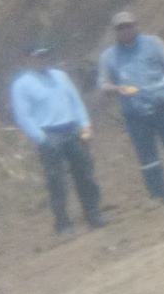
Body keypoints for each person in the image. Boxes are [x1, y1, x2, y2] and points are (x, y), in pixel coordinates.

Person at [93, 8, 164, 204]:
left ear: (135, 26)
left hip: (162, 105)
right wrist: (116, 88)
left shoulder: (153, 43)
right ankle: (158, 195)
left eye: (128, 26)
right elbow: (103, 84)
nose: (125, 30)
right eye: (121, 28)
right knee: (147, 156)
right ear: (115, 31)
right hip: (135, 113)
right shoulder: (109, 56)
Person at [7, 42, 106, 234]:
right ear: (28, 59)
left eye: (45, 55)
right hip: (49, 134)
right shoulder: (21, 85)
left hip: (71, 129)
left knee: (85, 174)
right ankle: (63, 223)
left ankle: (93, 213)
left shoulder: (60, 76)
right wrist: (42, 139)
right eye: (38, 56)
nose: (43, 59)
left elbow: (76, 101)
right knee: (56, 181)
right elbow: (23, 117)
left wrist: (85, 124)